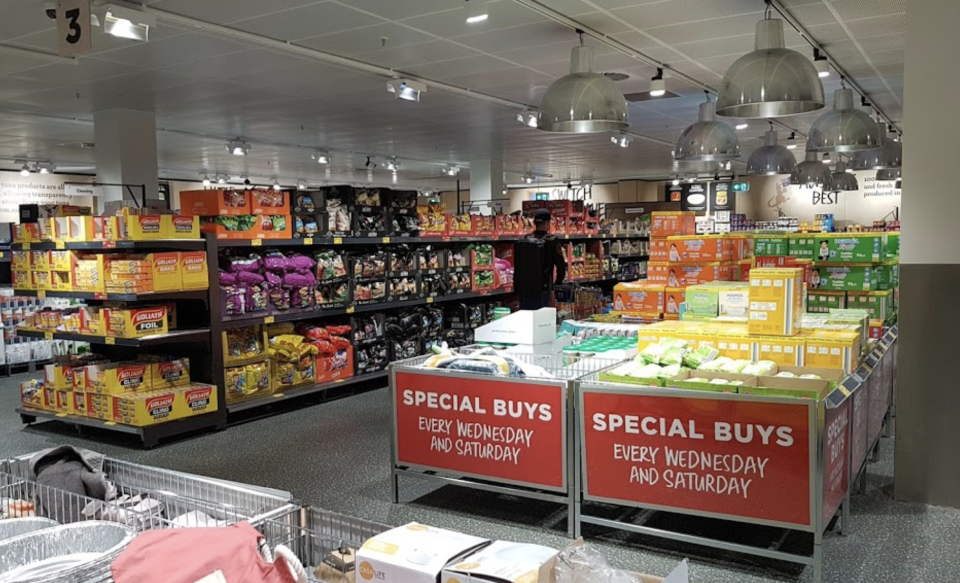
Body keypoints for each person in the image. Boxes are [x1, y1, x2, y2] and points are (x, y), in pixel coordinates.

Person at [519, 210, 566, 310]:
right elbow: (560, 265)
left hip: (525, 288)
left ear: (535, 223)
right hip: (543, 287)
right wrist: (557, 283)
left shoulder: (525, 239)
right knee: (542, 319)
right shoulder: (552, 240)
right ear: (547, 223)